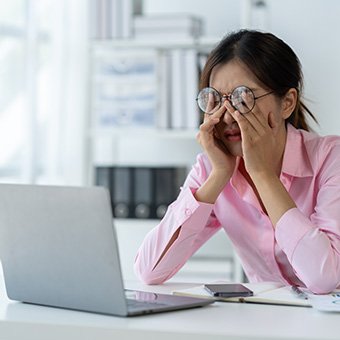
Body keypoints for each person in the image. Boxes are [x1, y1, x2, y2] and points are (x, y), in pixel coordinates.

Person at [134, 29, 340, 294]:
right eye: (216, 100)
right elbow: (149, 271)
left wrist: (263, 174)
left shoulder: (330, 158)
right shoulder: (212, 167)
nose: (228, 116)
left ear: (287, 103)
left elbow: (324, 278)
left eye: (244, 98)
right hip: (267, 323)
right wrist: (219, 174)